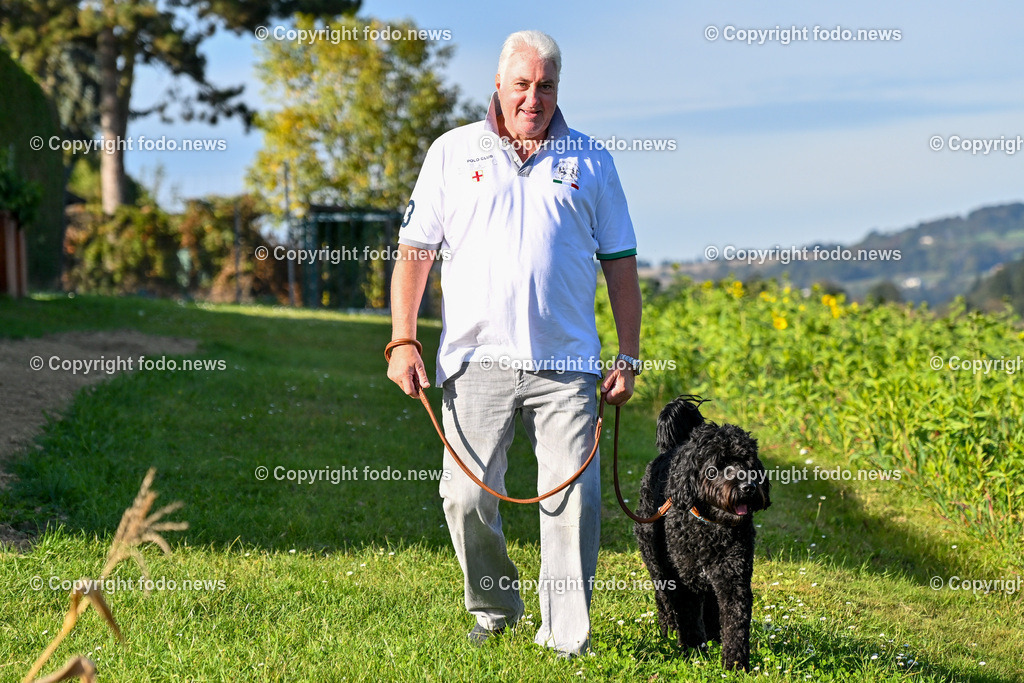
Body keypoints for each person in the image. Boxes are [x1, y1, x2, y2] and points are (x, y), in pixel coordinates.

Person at [386, 29, 642, 657]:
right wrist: (402, 339)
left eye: (546, 85)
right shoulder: (451, 152)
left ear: (559, 90)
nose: (534, 97)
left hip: (567, 364)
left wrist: (628, 355)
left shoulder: (592, 161)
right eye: (522, 84)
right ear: (498, 85)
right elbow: (416, 253)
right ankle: (495, 608)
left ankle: (565, 640)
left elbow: (622, 264)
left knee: (571, 503)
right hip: (475, 361)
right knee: (466, 493)